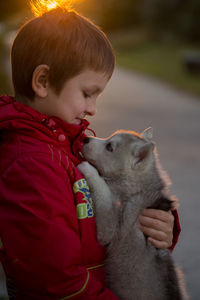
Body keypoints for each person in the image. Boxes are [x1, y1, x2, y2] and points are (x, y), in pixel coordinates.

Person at [0, 3, 181, 300]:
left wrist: (161, 227)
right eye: (87, 93)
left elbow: (126, 195)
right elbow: (55, 282)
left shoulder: (68, 143)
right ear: (43, 82)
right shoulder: (30, 165)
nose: (93, 109)